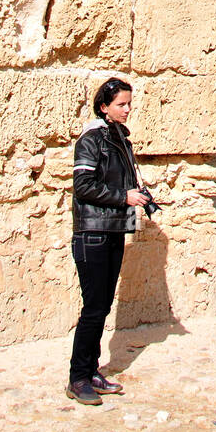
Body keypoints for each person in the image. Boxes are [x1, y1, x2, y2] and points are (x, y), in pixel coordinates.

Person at [66, 77, 153, 406]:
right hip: (93, 233)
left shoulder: (120, 139)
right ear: (104, 106)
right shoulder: (91, 140)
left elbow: (122, 181)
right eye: (121, 104)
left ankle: (91, 371)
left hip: (113, 230)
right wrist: (124, 197)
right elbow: (83, 186)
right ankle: (77, 378)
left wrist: (140, 195)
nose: (128, 109)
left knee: (102, 308)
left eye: (130, 104)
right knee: (93, 309)